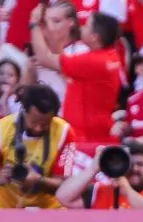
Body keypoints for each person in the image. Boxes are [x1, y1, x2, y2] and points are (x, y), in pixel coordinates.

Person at [0, 83, 76, 210]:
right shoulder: (0, 129)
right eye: (34, 122)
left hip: (51, 210)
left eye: (45, 124)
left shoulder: (64, 131)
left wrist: (39, 180)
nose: (38, 128)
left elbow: (65, 185)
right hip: (9, 210)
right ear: (24, 110)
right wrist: (1, 180)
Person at [31, 8, 124, 143]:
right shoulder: (110, 56)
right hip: (96, 132)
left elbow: (44, 58)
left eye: (86, 26)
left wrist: (34, 24)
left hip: (87, 138)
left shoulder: (93, 62)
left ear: (95, 37)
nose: (82, 28)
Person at [56, 141, 143, 210]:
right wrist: (93, 168)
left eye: (140, 164)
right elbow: (63, 198)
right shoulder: (99, 192)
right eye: (130, 164)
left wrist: (128, 192)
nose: (134, 169)